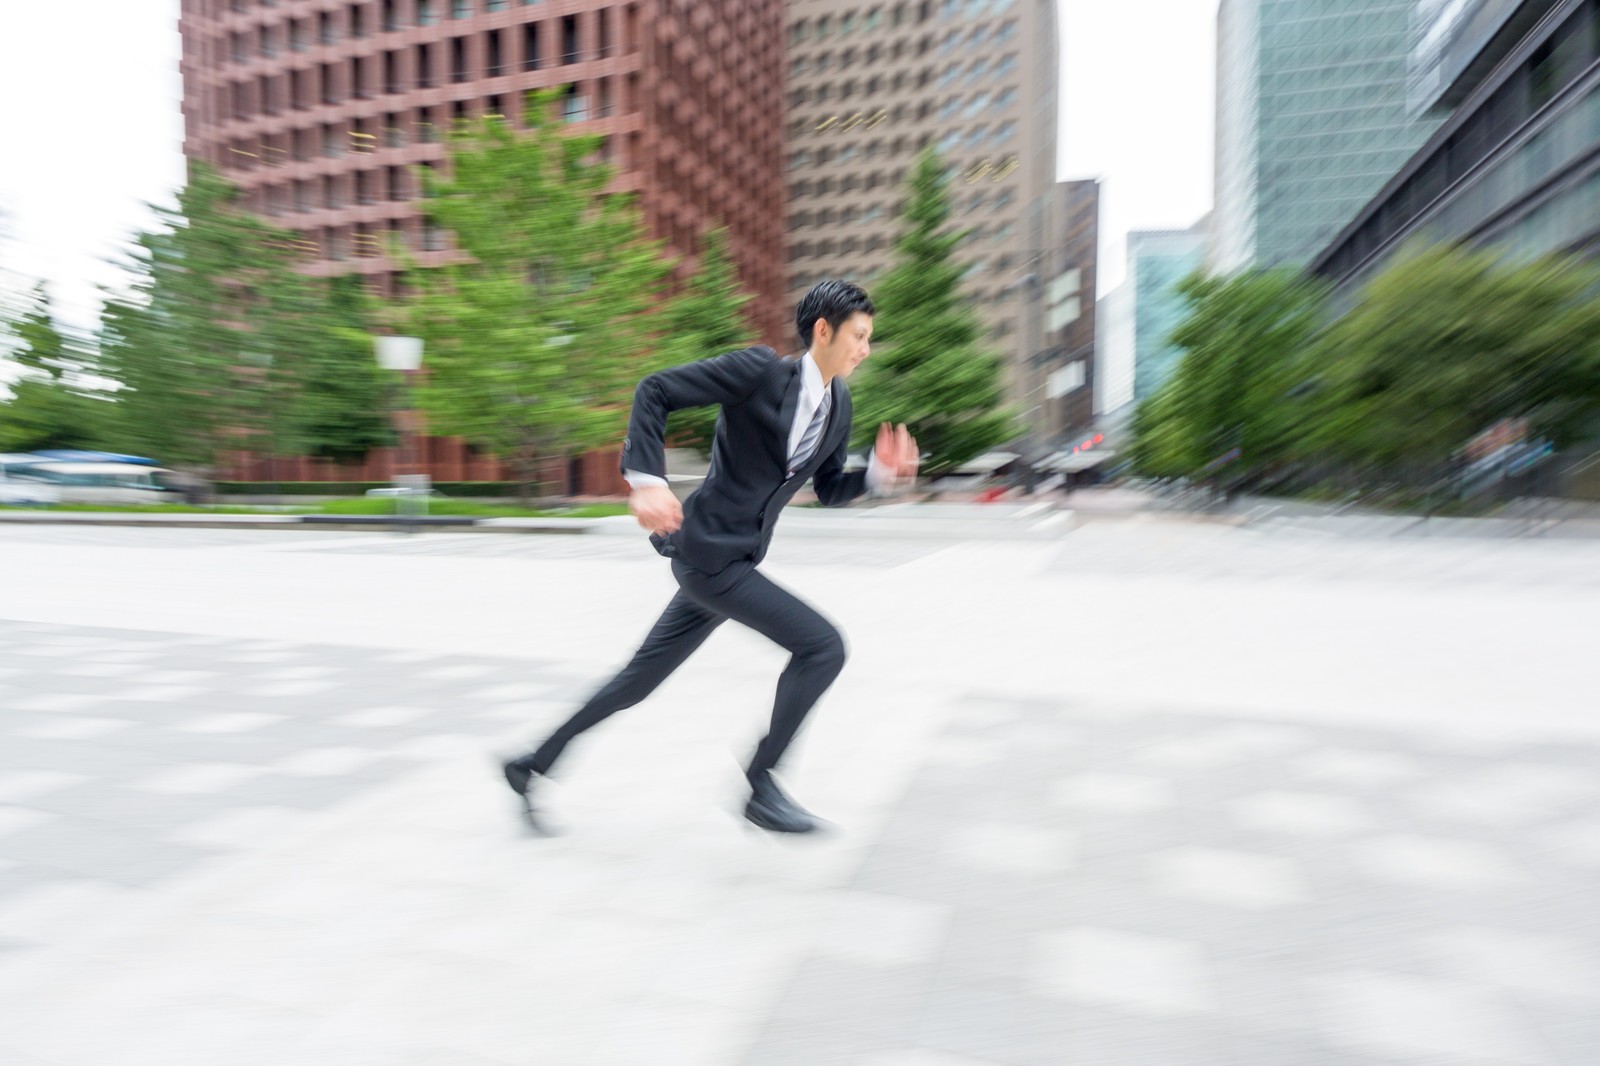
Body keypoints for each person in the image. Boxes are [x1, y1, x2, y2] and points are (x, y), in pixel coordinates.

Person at [501, 279, 918, 834]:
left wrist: (877, 475)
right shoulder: (760, 371)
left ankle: (531, 765)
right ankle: (761, 785)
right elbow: (655, 390)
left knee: (638, 680)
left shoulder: (839, 403)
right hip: (710, 559)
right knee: (822, 647)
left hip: (730, 561)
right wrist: (646, 480)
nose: (866, 349)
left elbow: (829, 488)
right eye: (859, 336)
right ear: (824, 331)